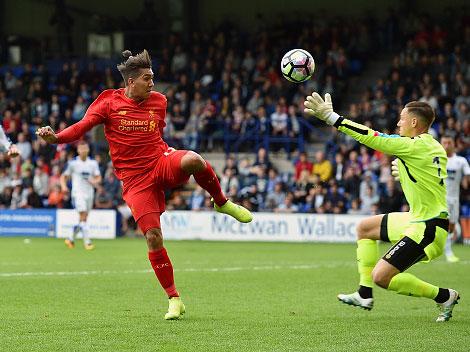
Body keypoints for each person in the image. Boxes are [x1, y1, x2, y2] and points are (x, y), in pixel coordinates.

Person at [36, 49, 253, 320]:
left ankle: (222, 202)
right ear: (131, 82)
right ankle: (175, 299)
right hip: (135, 180)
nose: (152, 83)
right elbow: (82, 126)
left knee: (194, 160)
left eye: (153, 78)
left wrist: (166, 155)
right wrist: (57, 138)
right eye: (147, 78)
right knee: (153, 237)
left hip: (160, 161)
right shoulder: (107, 103)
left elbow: (155, 137)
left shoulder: (159, 102)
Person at [304, 92, 459, 322]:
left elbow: (373, 137)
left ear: (414, 122)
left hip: (428, 227)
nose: (398, 123)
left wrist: (333, 118)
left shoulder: (414, 146)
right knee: (365, 228)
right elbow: (429, 179)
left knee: (381, 277)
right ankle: (364, 294)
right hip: (418, 218)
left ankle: (444, 296)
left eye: (401, 119)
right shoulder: (432, 146)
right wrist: (407, 172)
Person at [60, 141, 102, 250]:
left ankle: (70, 238)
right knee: (83, 216)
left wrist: (94, 180)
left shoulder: (93, 163)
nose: (83, 150)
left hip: (89, 193)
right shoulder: (73, 163)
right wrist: (64, 187)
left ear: (88, 150)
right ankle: (87, 242)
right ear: (78, 150)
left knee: (84, 219)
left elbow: (98, 177)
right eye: (81, 149)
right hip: (77, 193)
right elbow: (63, 177)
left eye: (85, 148)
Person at [440, 135, 470, 263]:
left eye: (449, 142)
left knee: (451, 227)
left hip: (454, 199)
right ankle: (448, 252)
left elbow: (467, 175)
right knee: (444, 224)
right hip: (440, 198)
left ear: (454, 144)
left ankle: (445, 248)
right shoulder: (436, 159)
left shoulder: (461, 161)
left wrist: (465, 180)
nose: (447, 145)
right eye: (444, 143)